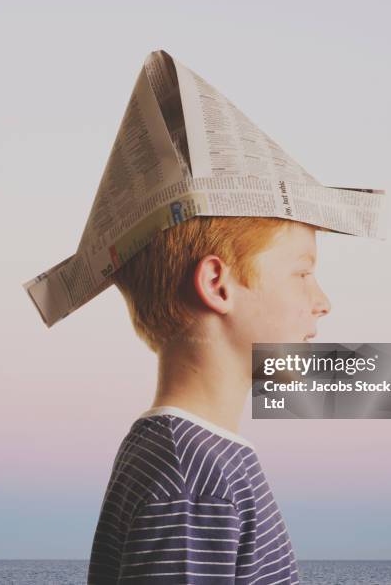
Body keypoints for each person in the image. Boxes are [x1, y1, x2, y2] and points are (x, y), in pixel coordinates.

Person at [87, 214, 331, 583]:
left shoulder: (191, 460)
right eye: (301, 274)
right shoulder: (191, 481)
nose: (323, 302)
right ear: (217, 285)